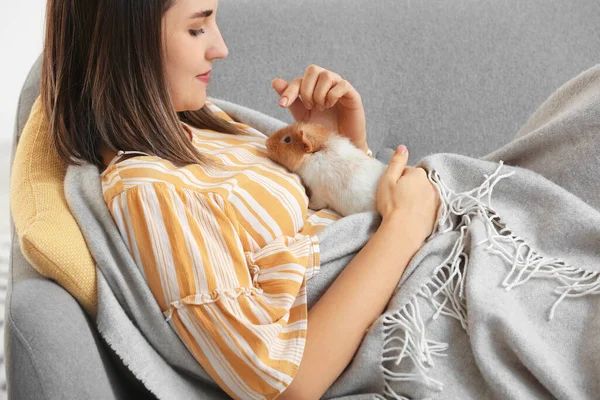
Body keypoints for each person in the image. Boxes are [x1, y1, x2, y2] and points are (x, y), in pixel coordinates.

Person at [41, 0, 440, 398]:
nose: (221, 48)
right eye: (197, 29)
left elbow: (309, 220)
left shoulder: (194, 122)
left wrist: (339, 150)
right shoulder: (153, 190)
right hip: (428, 273)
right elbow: (285, 383)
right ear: (124, 45)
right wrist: (404, 228)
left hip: (431, 238)